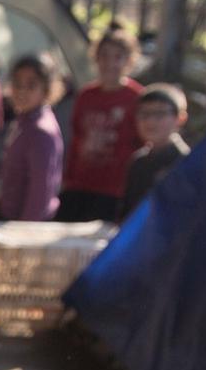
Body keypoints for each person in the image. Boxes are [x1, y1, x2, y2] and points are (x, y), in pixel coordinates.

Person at [57, 24, 144, 222]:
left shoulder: (136, 98)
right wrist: (68, 179)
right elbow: (77, 138)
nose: (110, 63)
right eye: (104, 55)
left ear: (129, 61)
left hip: (114, 188)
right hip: (80, 184)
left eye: (118, 57)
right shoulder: (86, 96)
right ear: (96, 58)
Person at [0, 53, 65, 222]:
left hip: (25, 225)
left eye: (31, 85)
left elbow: (41, 191)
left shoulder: (41, 131)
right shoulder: (22, 121)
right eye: (17, 84)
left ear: (46, 89)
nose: (22, 91)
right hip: (9, 216)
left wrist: (24, 232)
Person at [120, 83, 191, 221]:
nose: (150, 121)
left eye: (160, 114)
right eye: (144, 114)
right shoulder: (138, 162)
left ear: (180, 118)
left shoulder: (185, 163)